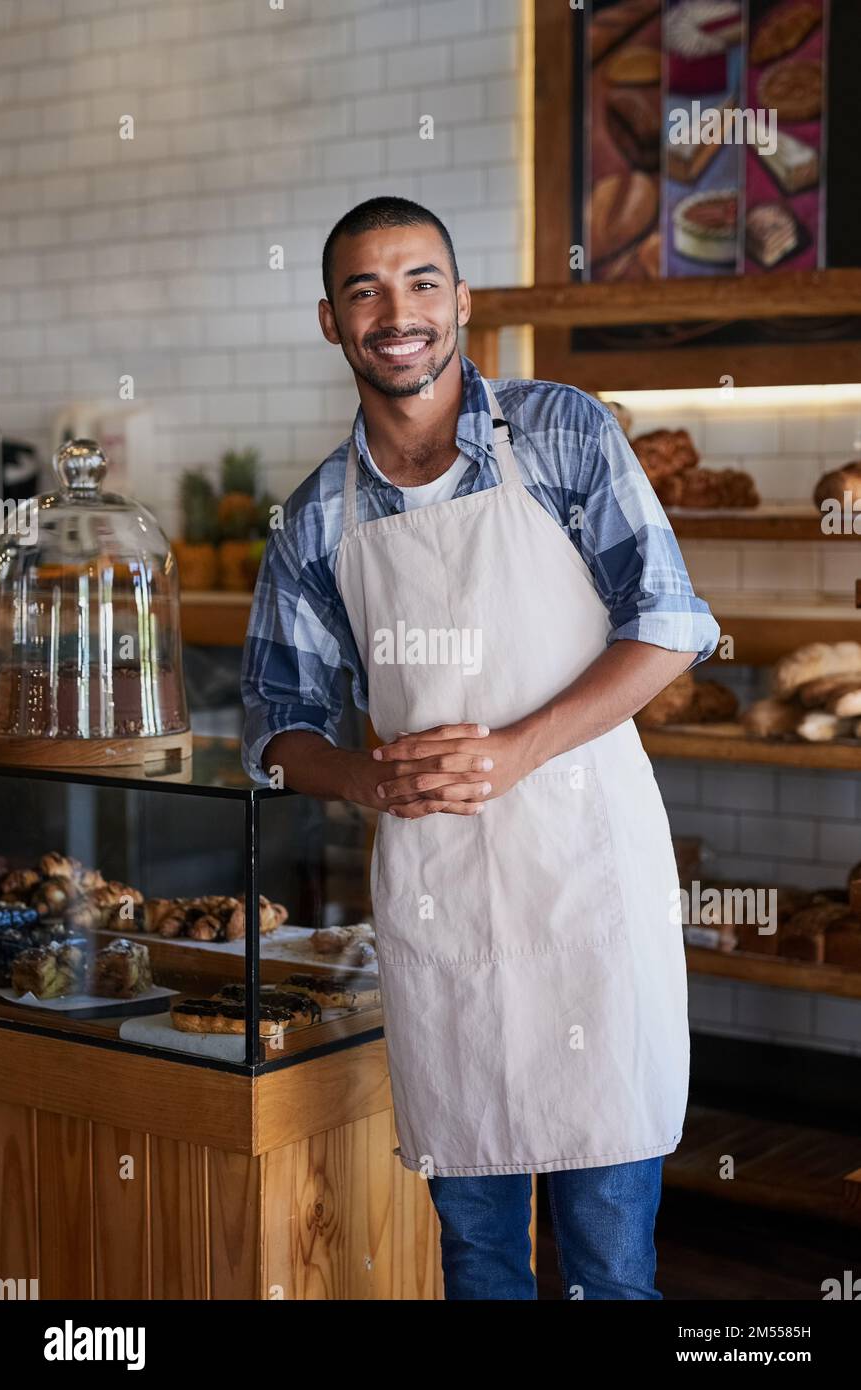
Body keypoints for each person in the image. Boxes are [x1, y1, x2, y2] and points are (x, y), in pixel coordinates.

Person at [241, 196, 720, 1300]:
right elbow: (276, 724)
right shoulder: (315, 516)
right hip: (439, 899)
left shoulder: (561, 432)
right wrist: (362, 775)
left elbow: (670, 623)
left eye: (419, 283)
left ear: (459, 302)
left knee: (608, 1259)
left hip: (588, 883)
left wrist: (514, 750)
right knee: (480, 1255)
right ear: (331, 320)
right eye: (364, 289)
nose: (395, 312)